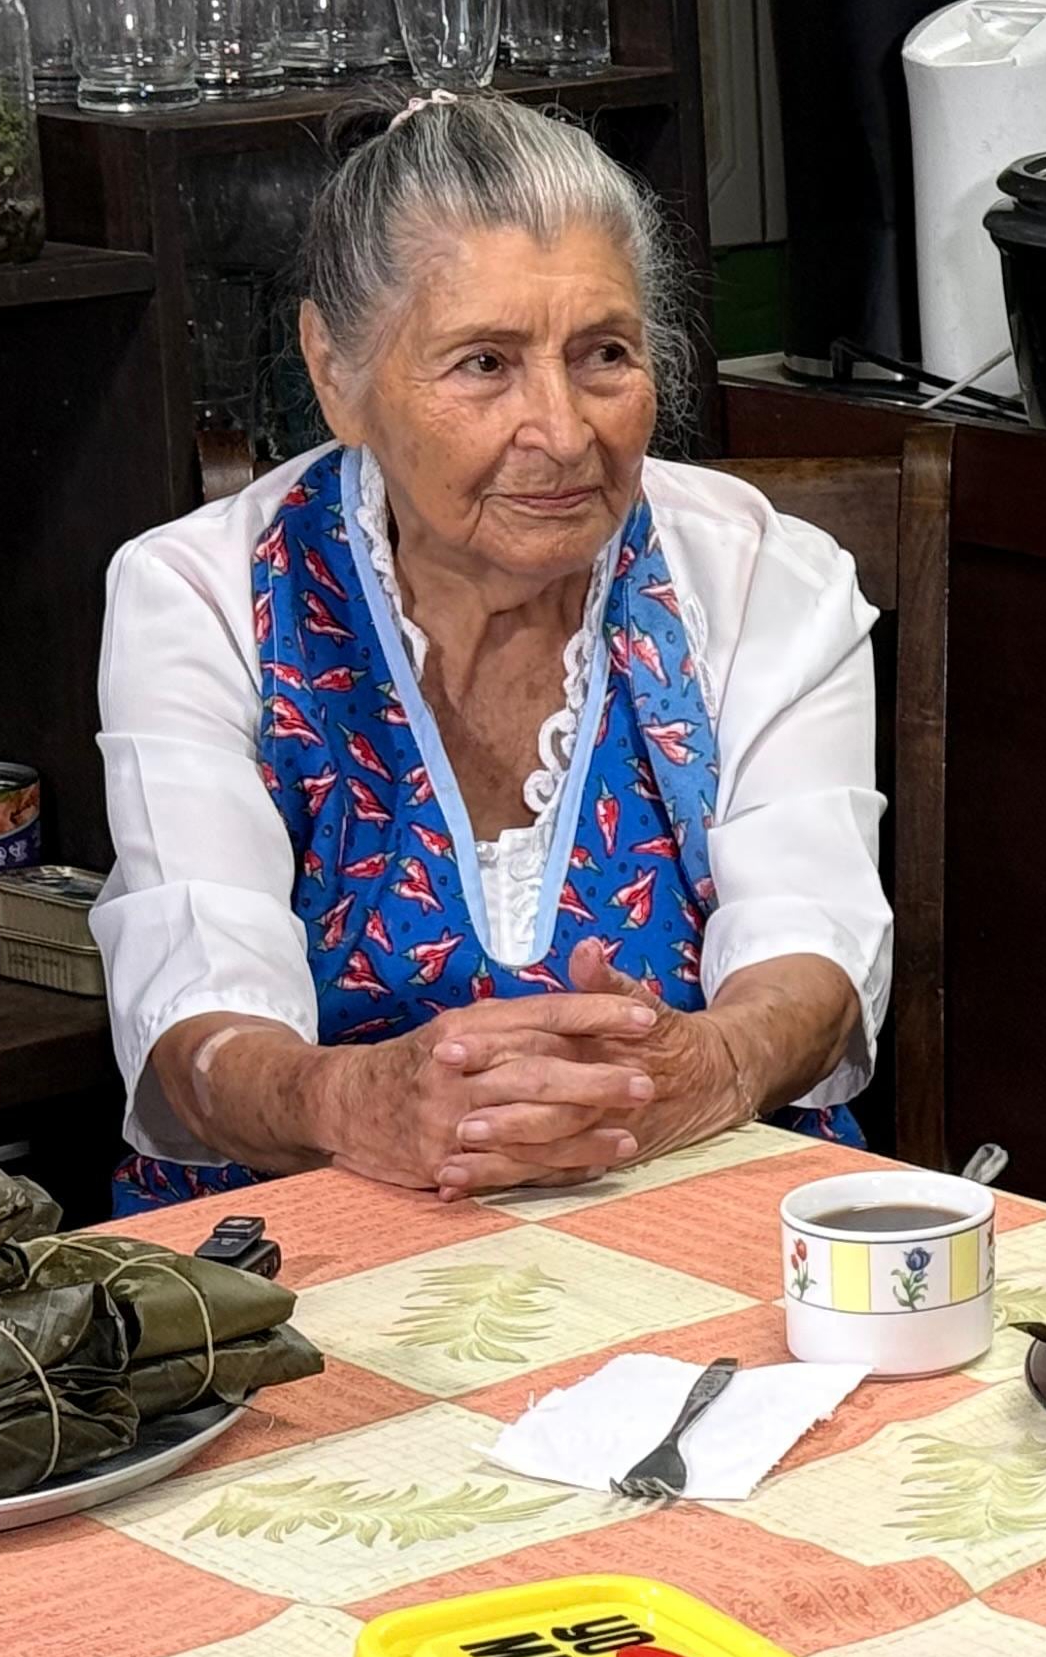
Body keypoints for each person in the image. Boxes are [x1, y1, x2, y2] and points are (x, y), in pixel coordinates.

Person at [94, 96, 888, 1209]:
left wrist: (707, 1068)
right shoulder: (205, 595)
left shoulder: (760, 575)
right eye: (483, 363)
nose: (563, 432)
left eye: (604, 354)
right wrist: (353, 1102)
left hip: (690, 1195)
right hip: (327, 1228)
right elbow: (197, 1010)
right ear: (336, 371)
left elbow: (813, 943)